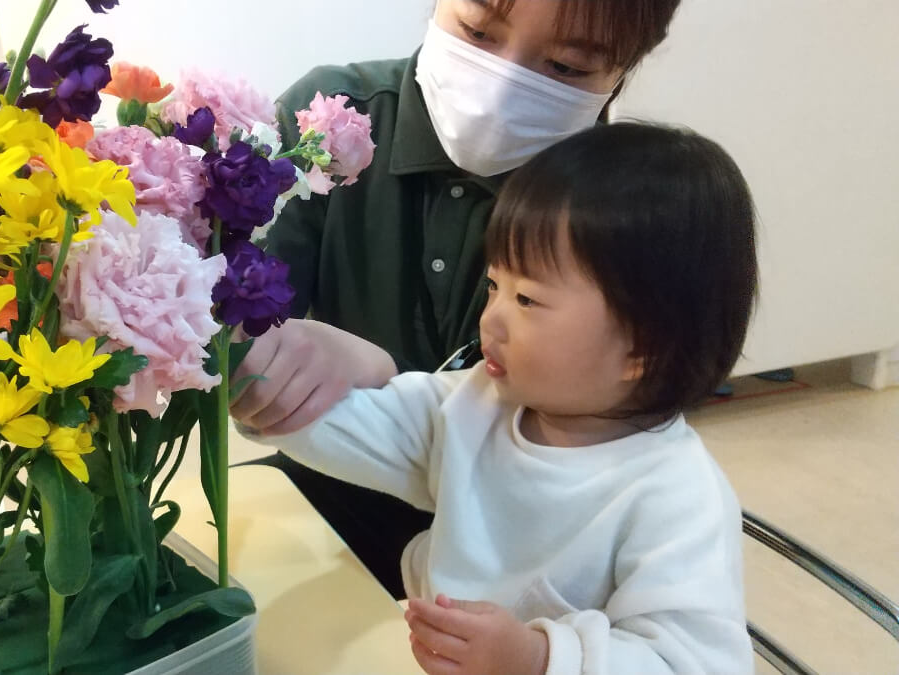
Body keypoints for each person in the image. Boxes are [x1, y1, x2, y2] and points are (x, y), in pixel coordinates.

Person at [238, 122, 758, 674]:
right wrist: (253, 375)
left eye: (528, 299)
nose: (493, 318)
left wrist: (539, 659)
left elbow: (697, 665)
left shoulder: (675, 497)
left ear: (645, 349)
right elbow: (363, 426)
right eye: (494, 287)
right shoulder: (480, 400)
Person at [234, 0, 685, 599]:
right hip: (324, 507)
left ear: (624, 70)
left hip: (515, 563)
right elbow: (222, 334)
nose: (501, 89)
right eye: (477, 32)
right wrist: (285, 366)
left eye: (567, 68)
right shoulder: (328, 126)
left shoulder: (624, 214)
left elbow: (607, 446)